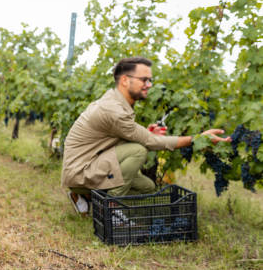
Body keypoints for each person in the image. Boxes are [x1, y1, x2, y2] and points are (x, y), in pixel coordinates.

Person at [61, 57, 229, 214]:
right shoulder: (114, 110)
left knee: (147, 187)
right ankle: (110, 210)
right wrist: (198, 139)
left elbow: (118, 136)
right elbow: (150, 142)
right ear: (125, 80)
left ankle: (86, 197)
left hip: (88, 165)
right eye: (144, 80)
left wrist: (146, 133)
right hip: (80, 173)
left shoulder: (115, 101)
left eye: (150, 80)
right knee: (138, 150)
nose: (149, 85)